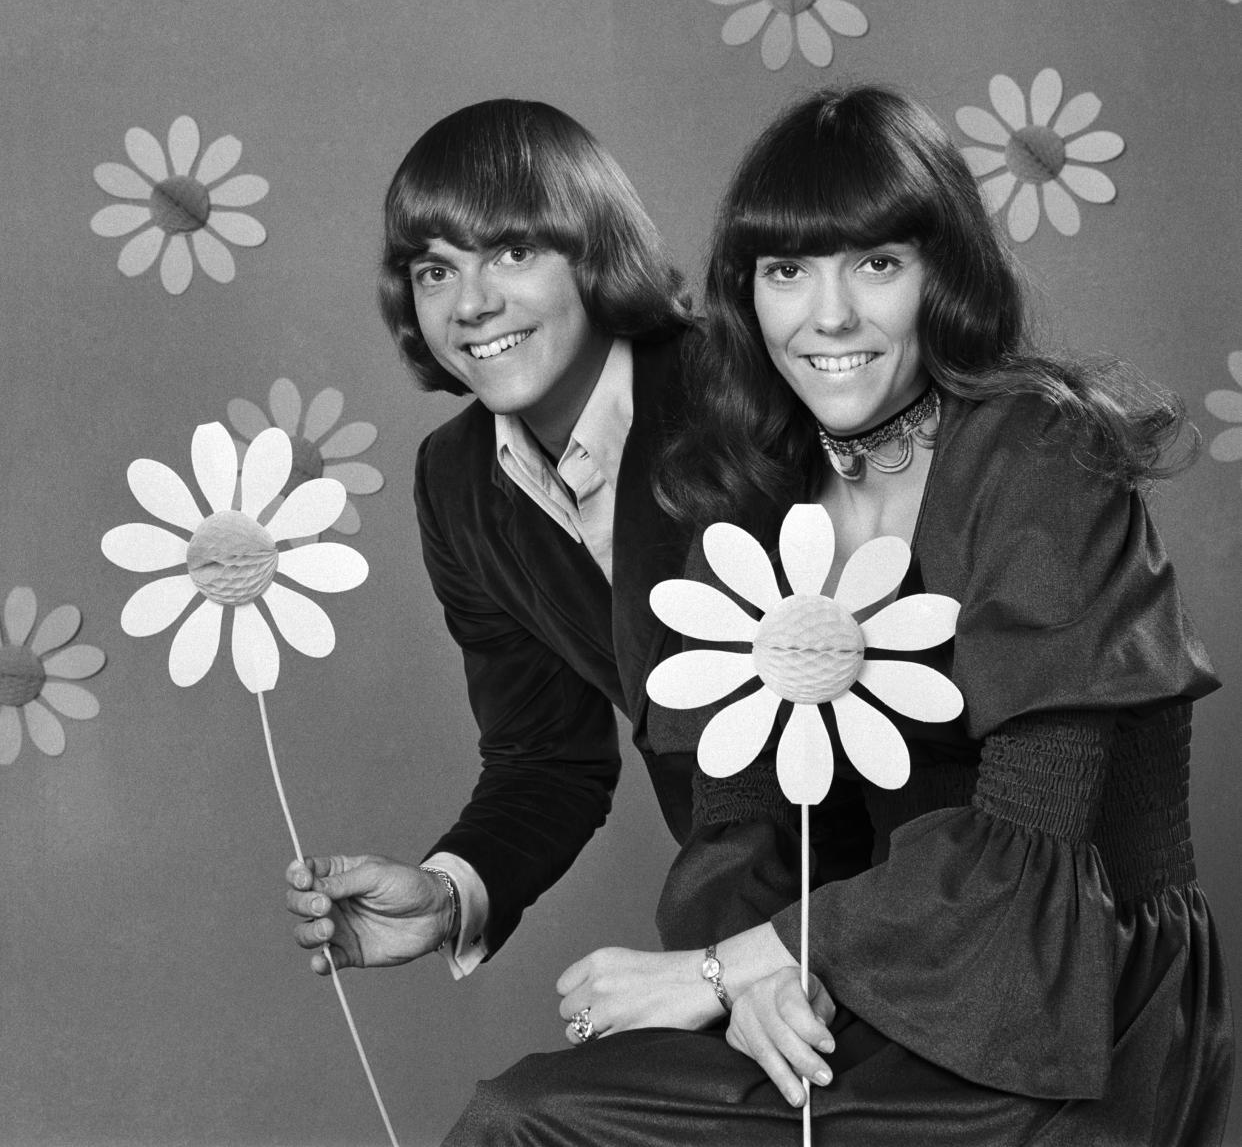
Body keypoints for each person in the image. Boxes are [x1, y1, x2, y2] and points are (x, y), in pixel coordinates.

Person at [440, 86, 1234, 1145]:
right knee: (525, 1116)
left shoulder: (1039, 457)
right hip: (857, 980)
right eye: (786, 273)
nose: (828, 318)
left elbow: (1027, 845)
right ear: (747, 294)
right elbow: (741, 818)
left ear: (941, 276)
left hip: (1069, 1000)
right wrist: (759, 981)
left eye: (874, 264)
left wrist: (738, 963)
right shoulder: (758, 483)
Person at [284, 99, 695, 978]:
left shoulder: (738, 387)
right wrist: (446, 892)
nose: (470, 303)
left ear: (594, 249)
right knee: (527, 1099)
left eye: (512, 251)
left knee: (538, 1107)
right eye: (434, 271)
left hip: (938, 884)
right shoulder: (455, 482)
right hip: (733, 915)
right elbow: (546, 755)